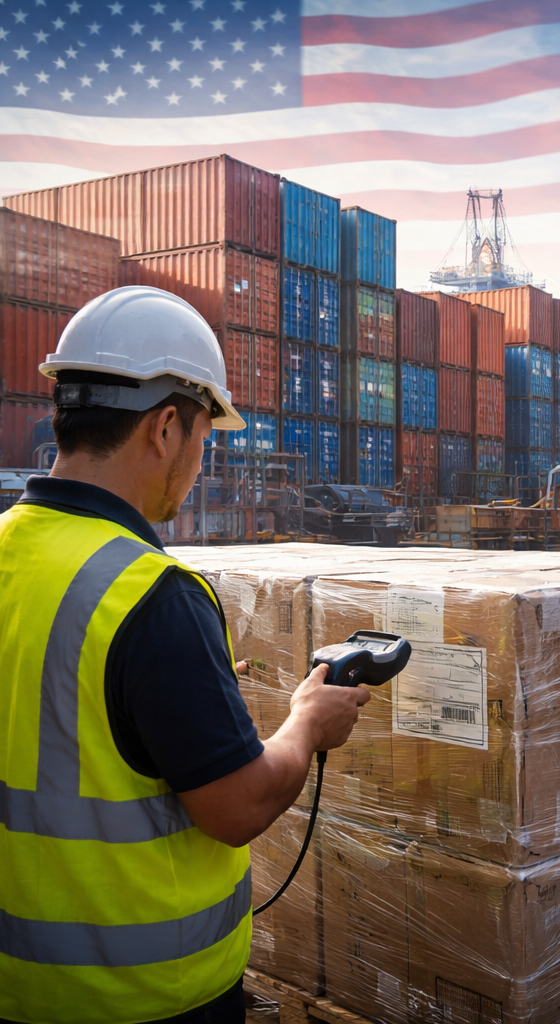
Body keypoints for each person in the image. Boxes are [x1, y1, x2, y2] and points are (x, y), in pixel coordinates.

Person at [0, 287, 370, 1024]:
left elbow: (45, 701)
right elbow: (238, 806)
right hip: (139, 998)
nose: (203, 460)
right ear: (166, 428)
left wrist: (170, 704)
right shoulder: (151, 596)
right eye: (206, 437)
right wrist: (307, 722)